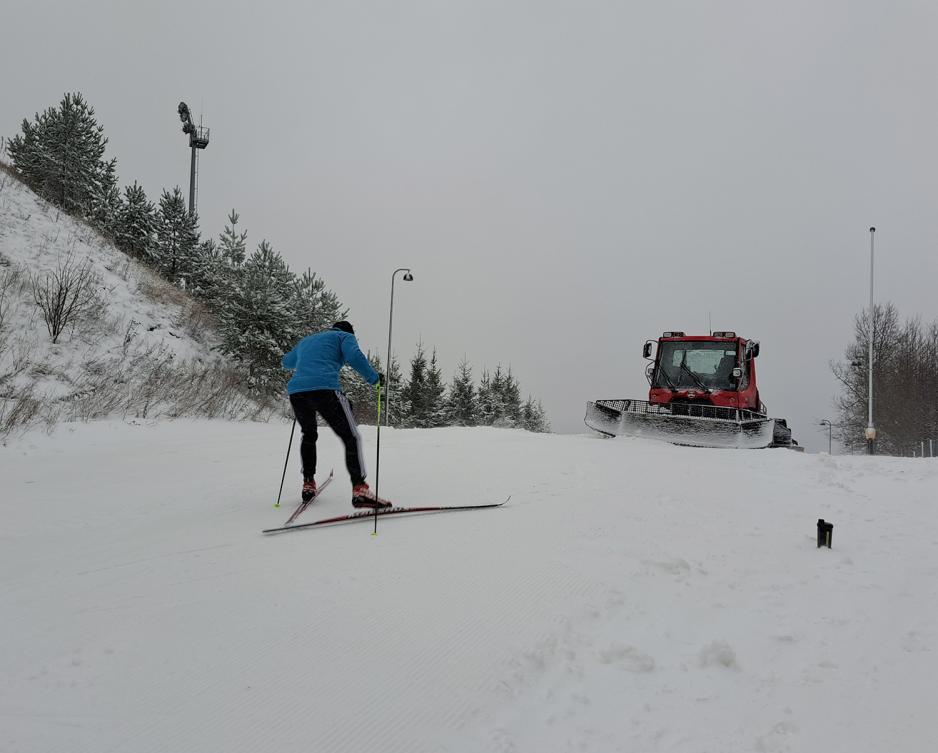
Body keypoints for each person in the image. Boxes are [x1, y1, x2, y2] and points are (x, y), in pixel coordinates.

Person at [281, 321, 391, 509]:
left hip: (297, 393)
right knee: (351, 436)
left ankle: (308, 482)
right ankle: (360, 488)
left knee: (308, 434)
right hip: (325, 390)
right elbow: (354, 356)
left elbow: (286, 362)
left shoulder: (307, 341)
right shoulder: (344, 337)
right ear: (350, 333)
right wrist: (374, 378)